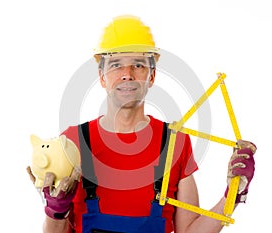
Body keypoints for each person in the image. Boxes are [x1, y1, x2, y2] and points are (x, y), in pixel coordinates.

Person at [27, 15, 257, 233]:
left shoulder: (175, 142)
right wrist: (55, 210)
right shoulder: (72, 142)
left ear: (152, 76)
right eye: (116, 64)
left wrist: (232, 197)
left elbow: (189, 230)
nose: (127, 74)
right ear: (101, 77)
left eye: (138, 65)